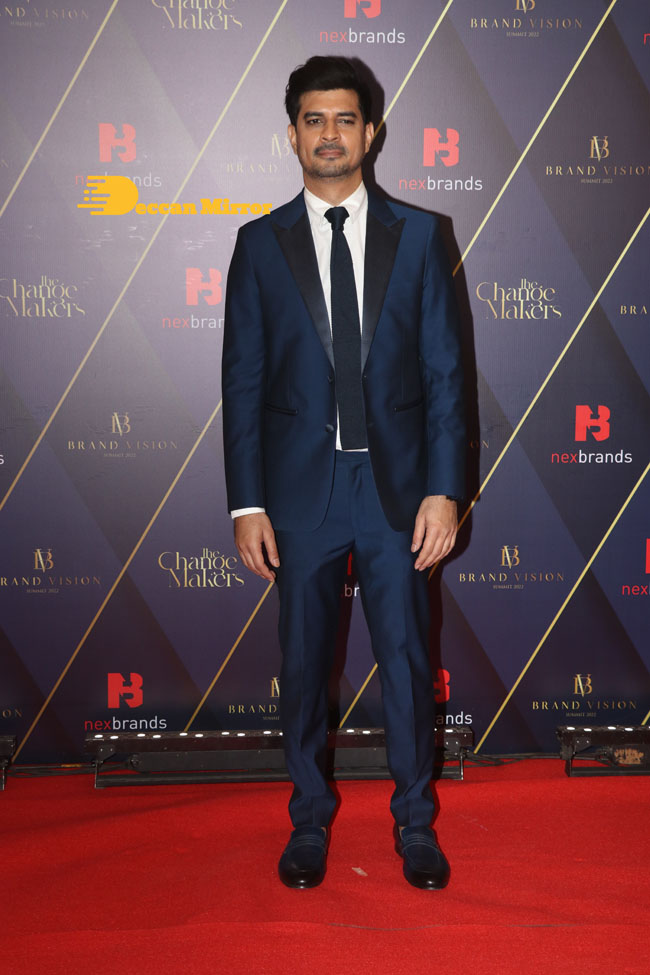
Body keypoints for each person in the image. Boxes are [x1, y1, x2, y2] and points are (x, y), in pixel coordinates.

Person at [222, 56, 466, 890]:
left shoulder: (421, 236)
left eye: (346, 119)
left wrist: (445, 489)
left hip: (398, 490)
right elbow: (243, 382)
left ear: (373, 132)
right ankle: (308, 820)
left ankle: (415, 824)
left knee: (406, 658)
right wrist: (247, 503)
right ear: (292, 135)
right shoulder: (259, 245)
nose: (330, 134)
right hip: (301, 492)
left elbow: (445, 376)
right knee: (302, 663)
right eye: (314, 119)